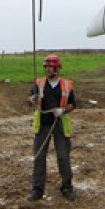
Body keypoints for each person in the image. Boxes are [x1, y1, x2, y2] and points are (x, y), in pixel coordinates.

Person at [29, 53, 76, 201]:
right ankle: (37, 190)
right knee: (39, 158)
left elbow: (73, 104)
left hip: (60, 125)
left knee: (63, 157)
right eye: (46, 67)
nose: (48, 69)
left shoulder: (67, 85)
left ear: (57, 68)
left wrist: (62, 110)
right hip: (43, 124)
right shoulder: (39, 83)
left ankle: (67, 187)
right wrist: (33, 99)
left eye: (50, 67)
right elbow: (31, 98)